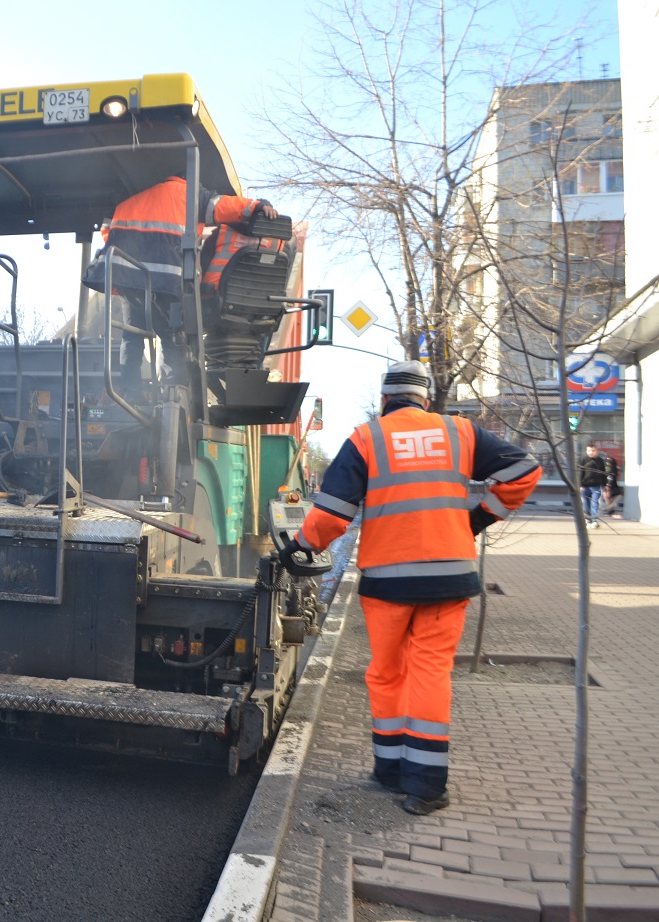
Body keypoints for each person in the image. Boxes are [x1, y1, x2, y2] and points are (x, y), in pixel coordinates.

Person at [279, 361, 541, 816]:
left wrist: (301, 546)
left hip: (387, 583)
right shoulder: (460, 432)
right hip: (448, 578)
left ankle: (390, 769)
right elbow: (524, 468)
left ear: (385, 400)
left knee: (387, 673)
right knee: (430, 673)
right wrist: (477, 518)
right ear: (426, 399)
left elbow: (333, 515)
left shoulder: (368, 438)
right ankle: (425, 787)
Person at [84, 175, 278, 390]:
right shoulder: (193, 195)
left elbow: (107, 233)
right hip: (165, 279)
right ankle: (171, 392)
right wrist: (259, 205)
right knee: (170, 334)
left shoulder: (133, 200)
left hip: (129, 277)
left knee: (132, 335)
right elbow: (227, 206)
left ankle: (130, 393)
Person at [579, 444, 608, 528]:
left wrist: (604, 484)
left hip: (596, 486)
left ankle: (595, 521)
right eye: (589, 451)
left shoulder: (600, 461)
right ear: (586, 451)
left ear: (597, 451)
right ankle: (588, 520)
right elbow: (580, 472)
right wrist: (580, 484)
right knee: (585, 504)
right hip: (585, 486)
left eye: (593, 451)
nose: (591, 452)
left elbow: (603, 473)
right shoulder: (583, 460)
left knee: (595, 503)